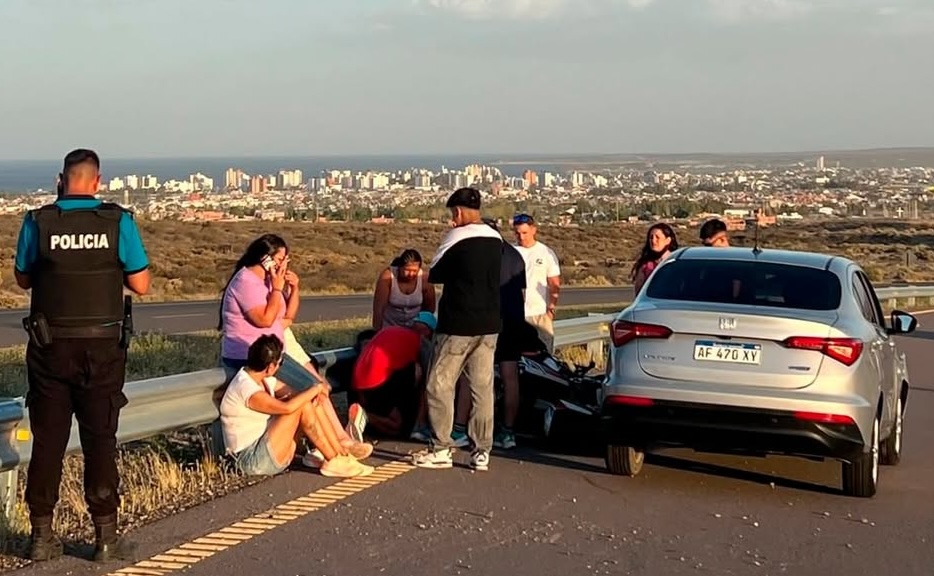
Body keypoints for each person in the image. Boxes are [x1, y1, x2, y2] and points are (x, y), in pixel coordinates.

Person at [13, 148, 150, 562]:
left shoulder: (38, 221)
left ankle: (40, 536)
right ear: (97, 181)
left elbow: (22, 279)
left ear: (61, 179)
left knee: (47, 442)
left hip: (49, 348)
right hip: (102, 351)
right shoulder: (117, 221)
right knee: (100, 441)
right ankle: (105, 538)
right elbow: (141, 284)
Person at [218, 235, 370, 463]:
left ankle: (336, 444)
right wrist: (277, 289)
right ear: (265, 258)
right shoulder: (246, 282)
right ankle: (332, 448)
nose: (283, 264)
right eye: (280, 259)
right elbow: (265, 319)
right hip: (253, 357)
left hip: (276, 354)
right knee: (308, 391)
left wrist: (293, 288)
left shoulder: (270, 280)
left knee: (315, 387)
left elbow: (287, 316)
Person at [411, 187, 503, 472]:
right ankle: (482, 450)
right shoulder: (496, 239)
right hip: (489, 323)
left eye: (453, 214)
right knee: (481, 387)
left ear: (458, 212)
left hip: (458, 322)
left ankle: (441, 447)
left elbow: (435, 273)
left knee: (439, 383)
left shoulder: (456, 236)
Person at [220, 334, 374, 478]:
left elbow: (296, 394)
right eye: (279, 363)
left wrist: (316, 393)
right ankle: (333, 458)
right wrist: (315, 388)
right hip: (251, 460)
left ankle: (340, 455)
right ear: (270, 367)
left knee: (308, 401)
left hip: (268, 452)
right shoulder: (246, 388)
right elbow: (286, 408)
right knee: (301, 405)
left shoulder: (262, 379)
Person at [350, 311, 436, 439]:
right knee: (397, 427)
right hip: (378, 380)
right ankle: (367, 417)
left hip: (360, 383)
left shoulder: (392, 332)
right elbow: (430, 379)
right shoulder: (420, 342)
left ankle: (364, 417)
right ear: (428, 332)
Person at [512, 214, 561, 353]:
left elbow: (554, 283)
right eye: (517, 233)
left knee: (544, 355)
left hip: (539, 314)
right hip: (516, 315)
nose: (521, 237)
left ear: (533, 230)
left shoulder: (545, 253)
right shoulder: (511, 252)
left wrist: (551, 308)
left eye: (524, 233)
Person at [371, 249, 436, 330]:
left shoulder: (425, 279)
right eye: (407, 270)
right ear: (400, 267)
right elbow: (379, 309)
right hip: (390, 328)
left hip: (415, 328)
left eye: (415, 271)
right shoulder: (388, 277)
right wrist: (377, 331)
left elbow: (429, 310)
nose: (411, 274)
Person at [631, 223, 679, 294]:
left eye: (657, 237)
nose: (653, 241)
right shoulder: (645, 266)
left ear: (668, 240)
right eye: (651, 237)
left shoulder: (677, 263)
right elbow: (639, 292)